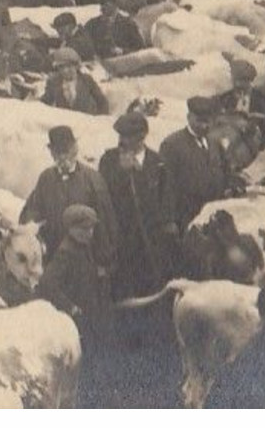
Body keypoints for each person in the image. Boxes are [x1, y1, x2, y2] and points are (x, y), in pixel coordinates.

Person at [35, 204, 113, 405]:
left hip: (89, 312)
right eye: (85, 229)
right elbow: (47, 284)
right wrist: (69, 306)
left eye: (92, 228)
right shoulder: (66, 253)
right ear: (72, 229)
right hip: (76, 318)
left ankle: (93, 392)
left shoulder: (82, 247)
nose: (90, 233)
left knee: (94, 353)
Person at [98, 111, 177, 298]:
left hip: (150, 240)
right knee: (125, 289)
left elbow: (167, 198)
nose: (122, 142)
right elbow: (104, 197)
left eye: (127, 137)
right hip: (122, 240)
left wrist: (165, 227)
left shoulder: (157, 162)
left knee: (152, 287)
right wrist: (121, 173)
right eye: (120, 136)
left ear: (141, 137)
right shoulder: (109, 160)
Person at [21, 125, 117, 265]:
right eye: (57, 152)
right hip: (54, 258)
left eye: (65, 151)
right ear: (51, 153)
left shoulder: (92, 180)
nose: (62, 157)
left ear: (74, 149)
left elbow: (106, 223)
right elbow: (33, 210)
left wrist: (103, 262)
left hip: (86, 259)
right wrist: (32, 224)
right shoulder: (45, 179)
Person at [159, 96, 229, 229]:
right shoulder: (172, 145)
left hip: (215, 215)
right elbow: (166, 186)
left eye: (208, 122)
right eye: (199, 121)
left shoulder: (214, 143)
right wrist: (170, 220)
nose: (204, 126)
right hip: (187, 217)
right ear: (189, 117)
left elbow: (225, 171)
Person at [40, 48, 108, 115]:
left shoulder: (86, 80)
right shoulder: (53, 82)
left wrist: (99, 119)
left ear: (76, 66)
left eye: (69, 66)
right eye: (61, 67)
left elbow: (101, 101)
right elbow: (45, 102)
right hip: (65, 121)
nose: (65, 71)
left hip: (87, 120)